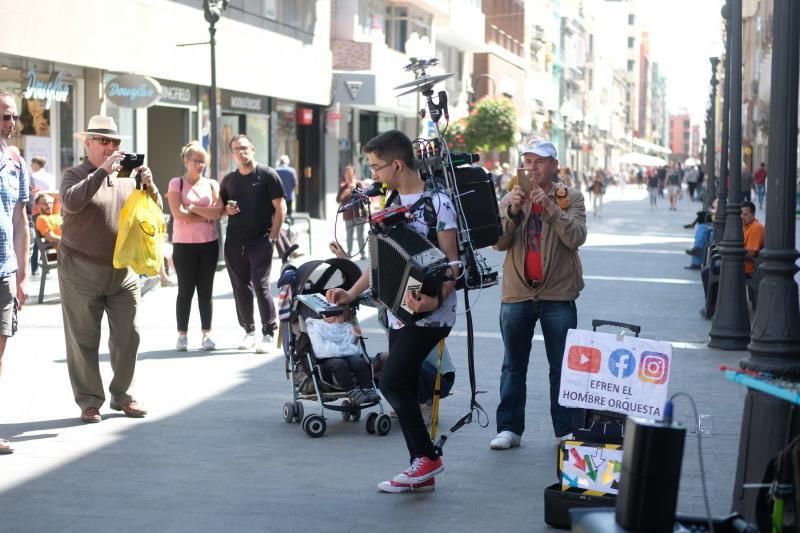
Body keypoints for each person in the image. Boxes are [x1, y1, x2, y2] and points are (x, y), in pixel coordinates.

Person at [326, 130, 459, 494]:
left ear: (397, 163)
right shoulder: (389, 200)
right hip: (399, 311)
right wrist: (350, 293)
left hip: (431, 312)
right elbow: (380, 259)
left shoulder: (438, 204)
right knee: (401, 380)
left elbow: (453, 263)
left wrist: (434, 299)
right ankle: (423, 468)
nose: (373, 174)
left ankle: (427, 458)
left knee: (391, 381)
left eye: (376, 166)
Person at [59, 115, 160, 423]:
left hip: (123, 270)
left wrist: (150, 186)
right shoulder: (74, 174)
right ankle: (90, 401)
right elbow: (71, 202)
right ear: (87, 143)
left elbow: (154, 212)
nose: (111, 147)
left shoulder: (128, 176)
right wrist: (102, 172)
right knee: (83, 339)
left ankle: (123, 394)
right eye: (104, 141)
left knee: (129, 335)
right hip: (80, 269)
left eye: (115, 142)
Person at [491, 139, 586, 450]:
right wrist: (513, 212)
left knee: (561, 366)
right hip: (517, 294)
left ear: (554, 165)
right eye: (528, 161)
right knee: (513, 365)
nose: (532, 168)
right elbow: (498, 243)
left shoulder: (570, 197)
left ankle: (565, 429)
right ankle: (509, 429)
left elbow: (576, 238)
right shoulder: (510, 197)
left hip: (558, 294)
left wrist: (550, 208)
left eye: (540, 162)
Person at [218, 134, 286, 353]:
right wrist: (227, 209)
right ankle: (249, 331)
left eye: (245, 148)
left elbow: (280, 208)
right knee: (241, 288)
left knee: (261, 284)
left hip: (261, 240)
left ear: (253, 149)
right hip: (234, 242)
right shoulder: (229, 180)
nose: (241, 152)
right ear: (232, 154)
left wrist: (273, 238)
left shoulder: (267, 175)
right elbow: (222, 207)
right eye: (237, 149)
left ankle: (268, 331)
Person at [166, 141, 221, 352]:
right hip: (184, 245)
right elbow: (178, 214)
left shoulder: (212, 184)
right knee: (185, 290)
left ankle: (207, 334)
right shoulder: (176, 184)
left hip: (209, 244)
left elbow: (218, 213)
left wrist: (192, 209)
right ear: (186, 161)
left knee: (206, 291)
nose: (200, 165)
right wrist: (204, 213)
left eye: (203, 162)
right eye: (196, 161)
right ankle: (182, 335)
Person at [0, 91, 31, 454]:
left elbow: (21, 221)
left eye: (12, 117)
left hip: (5, 272)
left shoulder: (16, 163)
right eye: (3, 116)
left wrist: (23, 274)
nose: (9, 123)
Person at [305, 307, 379, 406]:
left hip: (346, 354)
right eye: (336, 315)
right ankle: (352, 391)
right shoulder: (317, 326)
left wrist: (355, 337)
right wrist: (342, 350)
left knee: (359, 362)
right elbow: (320, 349)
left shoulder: (345, 327)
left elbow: (350, 344)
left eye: (341, 316)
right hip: (328, 358)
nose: (338, 318)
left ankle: (367, 388)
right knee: (339, 364)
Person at [335, 164, 367, 260]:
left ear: (354, 174)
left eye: (349, 173)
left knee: (360, 235)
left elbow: (365, 197)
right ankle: (349, 253)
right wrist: (343, 194)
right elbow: (338, 200)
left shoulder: (359, 184)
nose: (347, 175)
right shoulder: (343, 187)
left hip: (359, 214)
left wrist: (355, 191)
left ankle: (363, 254)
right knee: (349, 235)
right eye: (346, 173)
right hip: (348, 215)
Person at [741, 201, 764, 278]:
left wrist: (733, 251)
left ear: (753, 214)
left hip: (747, 269)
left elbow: (751, 253)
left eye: (745, 214)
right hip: (739, 265)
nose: (742, 216)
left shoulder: (756, 228)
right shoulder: (745, 226)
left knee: (707, 271)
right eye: (741, 214)